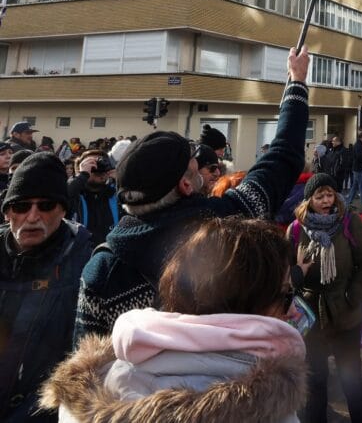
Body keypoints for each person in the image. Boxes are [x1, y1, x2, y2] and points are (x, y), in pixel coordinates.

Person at [74, 47, 310, 341]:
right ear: (186, 185)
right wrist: (297, 81)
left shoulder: (100, 269)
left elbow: (85, 366)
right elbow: (284, 155)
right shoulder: (227, 228)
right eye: (194, 167)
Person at [42, 217, 307, 422]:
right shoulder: (267, 406)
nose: (294, 311)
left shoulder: (102, 378)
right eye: (286, 295)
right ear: (246, 303)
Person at [1, 153, 93, 422]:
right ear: (7, 212)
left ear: (63, 210)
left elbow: (83, 360)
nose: (32, 216)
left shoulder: (84, 263)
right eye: (20, 206)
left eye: (45, 205)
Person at [287, 173, 362, 423]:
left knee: (352, 381)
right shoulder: (295, 229)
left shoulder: (349, 221)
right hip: (310, 318)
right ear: (309, 200)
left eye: (330, 195)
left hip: (345, 315)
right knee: (315, 383)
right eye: (320, 196)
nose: (327, 200)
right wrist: (297, 276)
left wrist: (353, 295)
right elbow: (285, 273)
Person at [67, 150, 121, 246]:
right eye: (92, 163)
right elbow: (60, 199)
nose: (98, 167)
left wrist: (123, 180)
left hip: (110, 253)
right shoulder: (74, 194)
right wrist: (82, 176)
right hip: (80, 256)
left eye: (103, 162)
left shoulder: (116, 195)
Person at [347, 131, 362, 211]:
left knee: (355, 186)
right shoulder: (358, 145)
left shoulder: (359, 144)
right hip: (359, 169)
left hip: (357, 168)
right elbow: (359, 157)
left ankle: (348, 202)